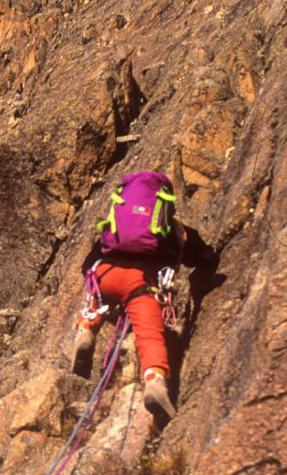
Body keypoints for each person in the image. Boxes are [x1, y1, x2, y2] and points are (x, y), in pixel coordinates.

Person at [71, 171, 216, 420]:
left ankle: (86, 330)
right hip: (140, 285)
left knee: (96, 300)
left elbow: (88, 266)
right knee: (150, 336)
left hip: (106, 274)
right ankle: (155, 382)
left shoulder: (116, 225)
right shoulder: (175, 230)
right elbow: (206, 257)